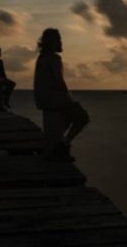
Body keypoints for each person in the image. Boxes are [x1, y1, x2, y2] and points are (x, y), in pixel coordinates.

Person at [33, 28, 89, 162]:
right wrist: (68, 97)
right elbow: (58, 80)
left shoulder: (41, 58)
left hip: (42, 99)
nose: (61, 43)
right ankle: (63, 144)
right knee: (82, 117)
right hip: (55, 99)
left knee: (69, 116)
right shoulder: (54, 58)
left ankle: (57, 142)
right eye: (59, 40)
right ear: (53, 42)